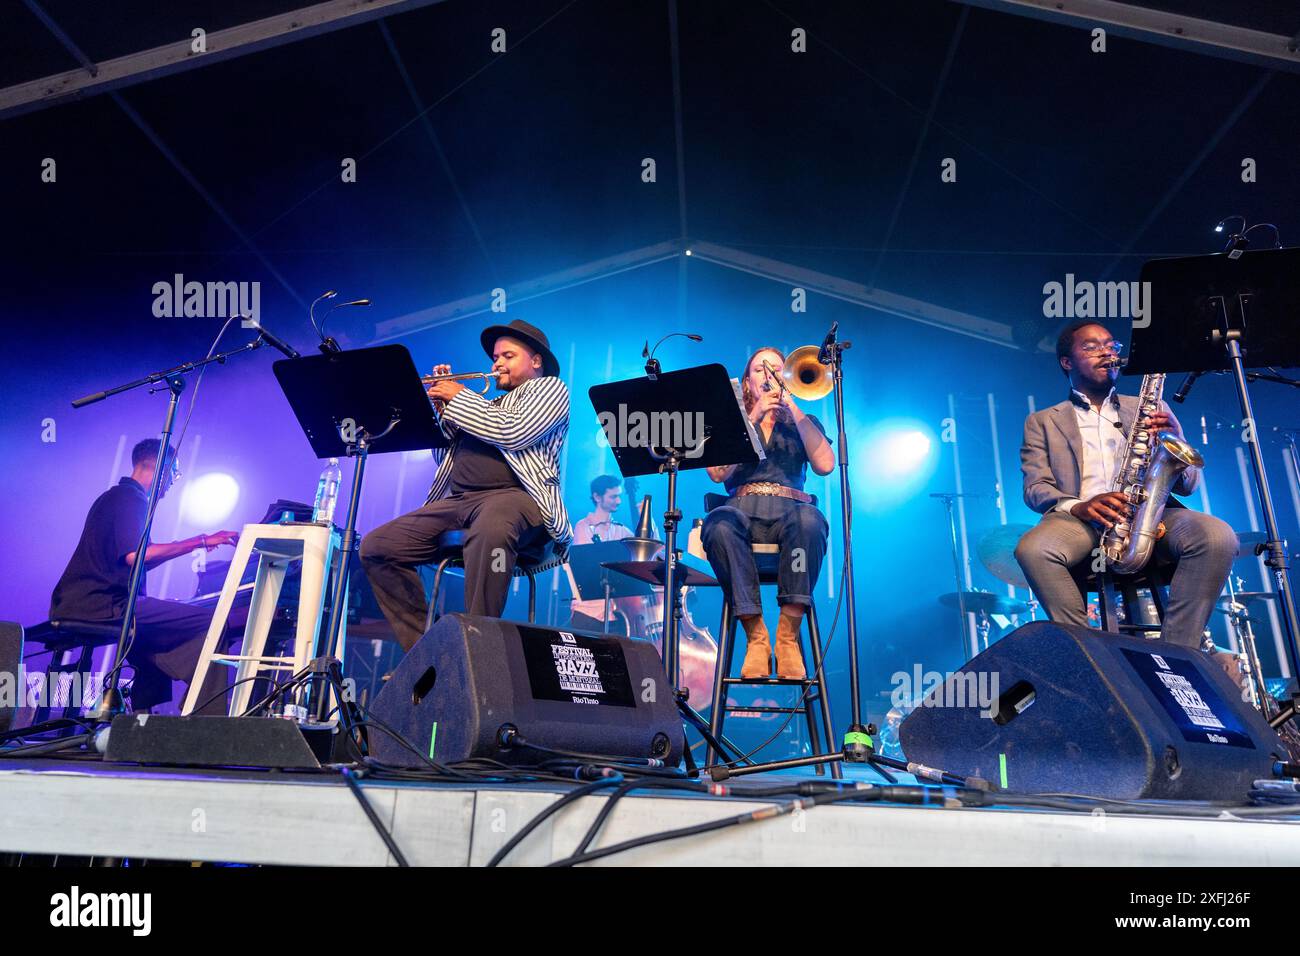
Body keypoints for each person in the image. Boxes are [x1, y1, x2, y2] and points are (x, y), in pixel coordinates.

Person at [1014, 320, 1238, 649]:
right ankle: (1088, 653)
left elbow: (1189, 484)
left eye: (1111, 346)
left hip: (1152, 515)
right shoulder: (1042, 421)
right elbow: (1036, 487)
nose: (1107, 352)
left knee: (1218, 537)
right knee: (1032, 550)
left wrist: (1174, 434)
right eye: (1091, 347)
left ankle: (1179, 652)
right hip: (1081, 519)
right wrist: (1079, 506)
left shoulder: (1151, 407)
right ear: (1067, 362)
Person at [360, 318, 572, 651]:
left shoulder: (550, 390)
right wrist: (443, 411)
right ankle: (430, 650)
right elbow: (443, 454)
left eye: (507, 355)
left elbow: (513, 431)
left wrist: (459, 397)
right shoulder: (484, 406)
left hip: (519, 498)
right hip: (459, 502)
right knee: (376, 547)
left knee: (493, 526)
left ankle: (478, 644)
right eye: (495, 357)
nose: (496, 363)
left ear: (536, 361)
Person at [49, 439, 240, 713]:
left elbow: (134, 561)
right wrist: (200, 540)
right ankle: (204, 720)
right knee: (213, 621)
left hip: (83, 601)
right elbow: (137, 556)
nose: (174, 481)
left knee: (155, 627)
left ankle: (142, 718)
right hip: (103, 604)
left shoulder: (117, 497)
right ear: (160, 466)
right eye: (174, 472)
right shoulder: (130, 498)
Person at [701, 346, 835, 679]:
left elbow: (826, 465)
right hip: (741, 513)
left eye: (776, 368)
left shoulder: (802, 421)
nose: (769, 374)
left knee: (811, 520)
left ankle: (787, 638)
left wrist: (792, 405)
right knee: (717, 524)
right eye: (760, 369)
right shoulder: (733, 421)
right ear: (746, 382)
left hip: (791, 514)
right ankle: (756, 637)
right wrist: (755, 414)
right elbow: (717, 473)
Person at [567, 475, 635, 632]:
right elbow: (589, 564)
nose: (619, 501)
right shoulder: (583, 526)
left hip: (616, 616)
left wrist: (647, 518)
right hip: (587, 613)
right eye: (613, 496)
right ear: (597, 497)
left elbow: (650, 553)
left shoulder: (621, 530)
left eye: (619, 496)